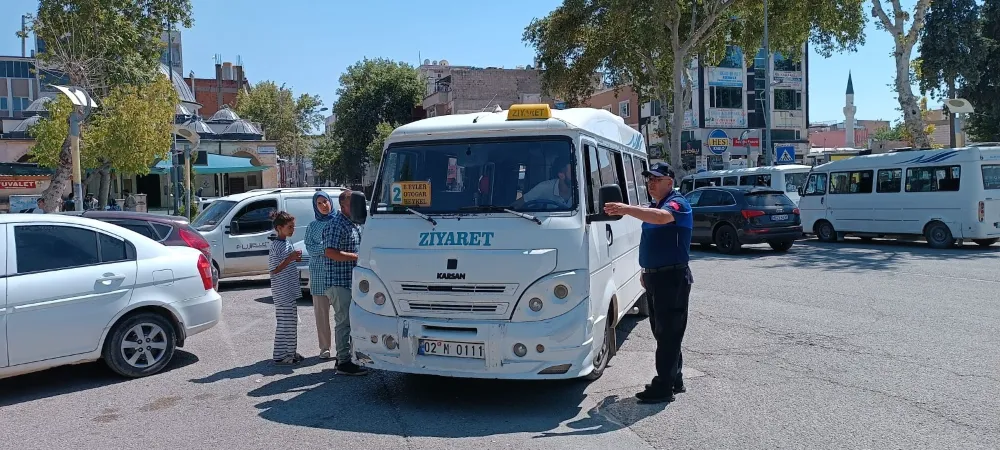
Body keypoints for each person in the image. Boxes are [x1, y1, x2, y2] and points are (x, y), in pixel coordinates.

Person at [603, 162, 693, 404]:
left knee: (668, 332)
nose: (650, 183)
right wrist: (646, 270)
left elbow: (663, 219)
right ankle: (675, 378)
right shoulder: (655, 205)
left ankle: (663, 386)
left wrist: (627, 208)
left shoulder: (676, 204)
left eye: (656, 179)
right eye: (648, 179)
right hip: (657, 276)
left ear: (670, 182)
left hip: (671, 277)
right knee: (663, 332)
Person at [321, 190, 368, 376]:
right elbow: (330, 252)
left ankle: (346, 357)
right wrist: (356, 257)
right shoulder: (336, 224)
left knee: (350, 322)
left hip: (351, 282)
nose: (358, 207)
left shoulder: (354, 223)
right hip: (339, 282)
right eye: (353, 203)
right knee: (344, 323)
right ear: (343, 205)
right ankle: (343, 363)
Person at [304, 191, 337, 361]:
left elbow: (340, 247)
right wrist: (328, 250)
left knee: (343, 316)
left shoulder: (339, 223)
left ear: (331, 202)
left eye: (325, 201)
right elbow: (310, 249)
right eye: (319, 203)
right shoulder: (312, 226)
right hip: (318, 278)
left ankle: (344, 348)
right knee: (321, 316)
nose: (324, 206)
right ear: (315, 207)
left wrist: (324, 249)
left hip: (338, 276)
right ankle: (324, 348)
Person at [269, 211, 304, 365]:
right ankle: (280, 355)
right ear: (279, 228)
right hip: (282, 291)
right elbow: (273, 269)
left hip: (289, 289)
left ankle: (290, 352)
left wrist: (293, 258)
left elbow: (287, 262)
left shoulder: (287, 243)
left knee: (291, 322)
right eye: (289, 227)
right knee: (285, 323)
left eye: (293, 226)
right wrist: (290, 258)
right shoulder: (275, 245)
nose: (292, 229)